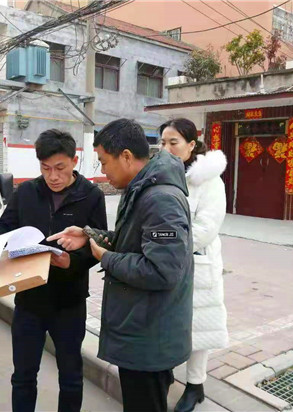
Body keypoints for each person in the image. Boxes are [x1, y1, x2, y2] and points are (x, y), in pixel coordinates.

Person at [48, 119, 194, 412]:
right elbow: (134, 241)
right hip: (143, 329)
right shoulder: (142, 188)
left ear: (126, 156)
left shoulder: (161, 199)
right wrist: (90, 234)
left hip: (150, 339)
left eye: (104, 162)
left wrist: (106, 257)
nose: (102, 170)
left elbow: (162, 271)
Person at [0, 129, 107, 412]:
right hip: (29, 299)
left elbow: (97, 245)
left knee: (71, 377)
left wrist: (72, 262)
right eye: (45, 168)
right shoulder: (27, 192)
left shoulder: (91, 196)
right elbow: (3, 227)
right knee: (23, 376)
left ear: (74, 161)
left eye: (60, 168)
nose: (53, 176)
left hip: (69, 303)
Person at [159, 118, 229, 412]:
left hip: (195, 261)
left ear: (191, 144)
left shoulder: (209, 181)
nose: (166, 148)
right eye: (163, 142)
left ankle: (195, 385)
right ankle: (163, 373)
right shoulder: (163, 175)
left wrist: (169, 249)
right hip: (165, 261)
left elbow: (206, 228)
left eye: (173, 142)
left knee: (198, 327)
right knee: (165, 321)